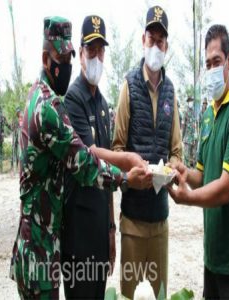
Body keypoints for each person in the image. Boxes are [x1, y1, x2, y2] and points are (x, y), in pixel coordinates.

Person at [9, 16, 152, 300]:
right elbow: (84, 162)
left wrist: (110, 228)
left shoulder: (38, 96)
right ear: (45, 58)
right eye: (61, 57)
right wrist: (125, 179)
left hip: (41, 243)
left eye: (69, 56)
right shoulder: (48, 108)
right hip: (39, 248)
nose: (66, 64)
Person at [167, 24, 229, 299]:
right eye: (208, 63)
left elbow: (226, 189)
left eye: (217, 61)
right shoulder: (207, 116)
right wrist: (183, 172)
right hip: (212, 256)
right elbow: (203, 176)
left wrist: (186, 198)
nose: (212, 68)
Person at [112, 6, 182, 298]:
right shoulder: (128, 86)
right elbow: (117, 148)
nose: (155, 46)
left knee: (161, 294)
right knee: (127, 294)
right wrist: (131, 176)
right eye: (151, 39)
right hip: (132, 223)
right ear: (143, 40)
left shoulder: (171, 92)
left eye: (161, 41)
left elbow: (177, 151)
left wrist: (172, 170)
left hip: (160, 223)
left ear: (167, 45)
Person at [61, 15, 116, 299]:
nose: (96, 56)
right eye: (90, 50)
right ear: (80, 53)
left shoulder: (104, 105)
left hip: (98, 230)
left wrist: (111, 228)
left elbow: (107, 178)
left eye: (100, 50)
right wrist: (129, 164)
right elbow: (92, 157)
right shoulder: (73, 99)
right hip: (78, 232)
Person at [182, 96, 197, 168]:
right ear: (188, 102)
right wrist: (182, 137)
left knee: (193, 156)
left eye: (192, 101)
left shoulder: (194, 113)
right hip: (187, 138)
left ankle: (192, 169)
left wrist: (196, 135)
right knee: (186, 156)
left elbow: (195, 124)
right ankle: (186, 169)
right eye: (190, 101)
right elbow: (183, 125)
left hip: (193, 138)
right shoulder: (185, 112)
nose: (191, 102)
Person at [0, 106, 11, 172]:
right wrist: (12, 128)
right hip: (1, 136)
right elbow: (7, 125)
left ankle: (0, 169)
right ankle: (1, 169)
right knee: (0, 152)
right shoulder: (2, 117)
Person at [11, 107, 23, 172]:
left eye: (19, 112)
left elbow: (22, 128)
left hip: (19, 140)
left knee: (19, 153)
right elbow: (12, 128)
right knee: (14, 153)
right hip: (15, 139)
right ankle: (14, 168)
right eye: (17, 112)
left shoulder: (21, 119)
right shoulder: (15, 120)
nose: (18, 113)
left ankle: (19, 168)